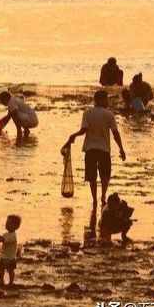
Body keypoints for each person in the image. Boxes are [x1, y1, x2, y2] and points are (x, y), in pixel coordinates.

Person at [64, 90, 126, 238]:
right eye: (106, 99)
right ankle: (103, 196)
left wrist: (74, 135)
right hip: (104, 149)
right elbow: (115, 133)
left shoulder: (88, 113)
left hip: (90, 149)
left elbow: (83, 130)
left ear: (94, 100)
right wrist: (121, 149)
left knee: (91, 177)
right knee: (105, 174)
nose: (107, 102)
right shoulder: (109, 115)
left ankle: (94, 199)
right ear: (103, 100)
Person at [0, 214, 21, 287]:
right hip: (4, 256)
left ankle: (11, 282)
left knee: (10, 270)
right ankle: (1, 280)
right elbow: (2, 240)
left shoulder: (13, 236)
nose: (7, 225)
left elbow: (4, 240)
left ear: (16, 226)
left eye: (9, 223)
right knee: (1, 268)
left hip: (10, 257)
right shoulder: (6, 234)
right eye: (6, 223)